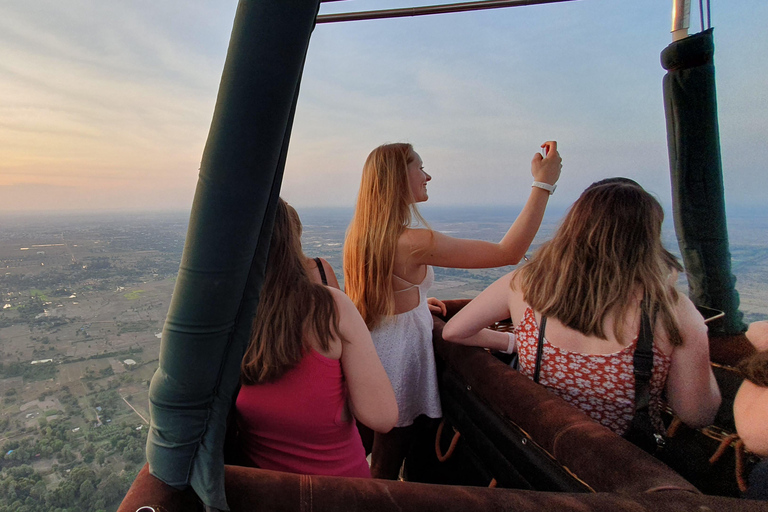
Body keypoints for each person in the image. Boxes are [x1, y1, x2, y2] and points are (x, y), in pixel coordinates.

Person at [344, 141, 562, 478]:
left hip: (375, 348)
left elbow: (379, 296)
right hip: (401, 359)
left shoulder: (362, 234)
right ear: (400, 177)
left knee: (365, 452)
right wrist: (543, 184)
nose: (427, 175)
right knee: (386, 467)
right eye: (420, 167)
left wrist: (417, 303)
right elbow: (509, 252)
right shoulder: (413, 241)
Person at [443, 178, 721, 438]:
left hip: (539, 443)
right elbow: (697, 414)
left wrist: (515, 343)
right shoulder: (673, 310)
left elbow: (455, 331)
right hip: (618, 462)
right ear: (647, 239)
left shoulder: (525, 283)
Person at [235, 199, 398, 477]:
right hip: (341, 491)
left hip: (262, 494)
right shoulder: (332, 308)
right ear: (292, 240)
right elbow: (382, 417)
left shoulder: (225, 315)